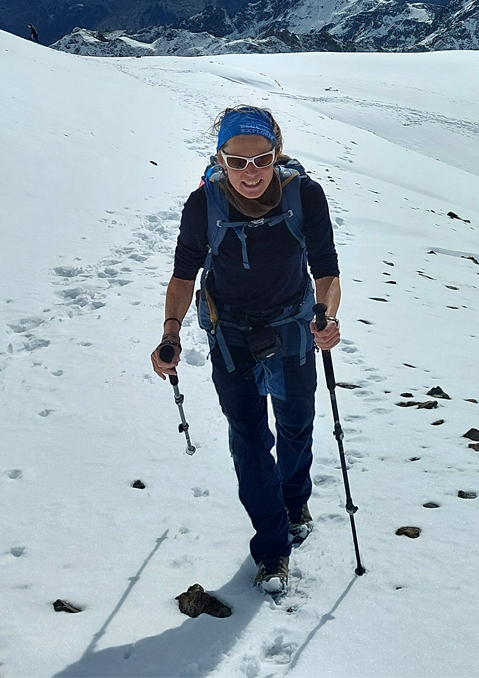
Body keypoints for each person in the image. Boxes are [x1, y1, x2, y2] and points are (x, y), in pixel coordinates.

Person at [152, 105, 342, 595]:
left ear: (276, 154)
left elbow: (326, 270)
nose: (250, 173)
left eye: (261, 159)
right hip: (231, 332)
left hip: (295, 327)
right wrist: (170, 332)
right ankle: (273, 547)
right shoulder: (204, 206)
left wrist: (327, 315)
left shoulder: (306, 197)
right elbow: (182, 275)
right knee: (249, 438)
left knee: (297, 423)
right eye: (237, 162)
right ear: (221, 160)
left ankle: (295, 498)